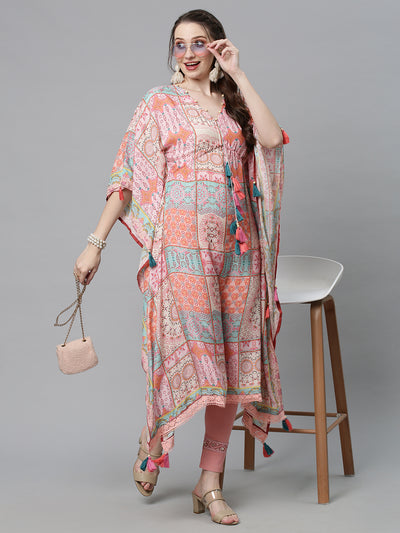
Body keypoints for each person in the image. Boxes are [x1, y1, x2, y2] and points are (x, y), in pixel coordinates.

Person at [73, 9, 290, 526]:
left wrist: (238, 73)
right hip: (182, 252)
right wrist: (95, 244)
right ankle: (154, 439)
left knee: (232, 367)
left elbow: (272, 140)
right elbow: (127, 178)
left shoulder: (235, 106)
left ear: (217, 47)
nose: (189, 53)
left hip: (239, 254)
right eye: (180, 44)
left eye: (200, 42)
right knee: (182, 354)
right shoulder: (158, 103)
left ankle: (210, 482)